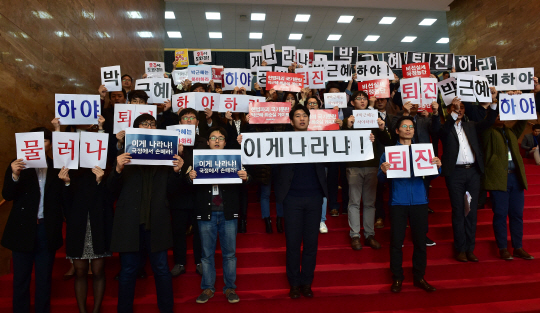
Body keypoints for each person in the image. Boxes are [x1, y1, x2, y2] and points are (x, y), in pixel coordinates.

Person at [107, 114, 184, 313]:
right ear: (136, 129)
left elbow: (173, 191)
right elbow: (109, 192)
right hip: (129, 223)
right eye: (144, 124)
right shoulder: (124, 155)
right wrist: (116, 169)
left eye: (152, 124)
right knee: (128, 271)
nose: (149, 126)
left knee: (161, 270)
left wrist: (176, 172)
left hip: (156, 221)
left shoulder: (166, 154)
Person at [2, 127, 64, 313]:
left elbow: (63, 198)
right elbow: (7, 194)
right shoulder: (17, 164)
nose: (40, 143)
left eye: (44, 140)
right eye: (36, 140)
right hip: (22, 229)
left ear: (49, 144)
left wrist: (67, 182)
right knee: (21, 278)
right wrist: (14, 175)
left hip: (47, 228)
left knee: (44, 278)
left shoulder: (56, 166)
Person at [378, 116, 441, 293]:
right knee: (396, 242)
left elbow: (431, 175)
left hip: (420, 201)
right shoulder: (389, 152)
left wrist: (437, 166)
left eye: (411, 127)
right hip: (398, 201)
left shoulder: (423, 151)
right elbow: (381, 178)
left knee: (420, 242)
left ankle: (419, 277)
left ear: (414, 131)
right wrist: (383, 172)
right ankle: (397, 277)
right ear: (397, 131)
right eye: (404, 126)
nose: (408, 129)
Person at [189, 126, 251, 304]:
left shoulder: (235, 159)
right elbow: (185, 184)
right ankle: (208, 288)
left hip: (228, 213)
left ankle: (230, 288)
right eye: (213, 137)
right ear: (207, 142)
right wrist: (189, 177)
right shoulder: (198, 160)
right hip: (206, 213)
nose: (217, 140)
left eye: (221, 137)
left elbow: (250, 179)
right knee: (206, 254)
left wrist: (246, 177)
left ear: (225, 142)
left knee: (229, 254)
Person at [273, 105, 329, 299]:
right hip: (292, 199)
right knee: (293, 244)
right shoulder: (281, 141)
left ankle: (307, 282)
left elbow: (342, 152)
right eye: (298, 116)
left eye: (305, 115)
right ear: (291, 120)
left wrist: (365, 140)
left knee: (311, 244)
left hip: (315, 198)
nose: (302, 118)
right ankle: (294, 283)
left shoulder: (319, 139)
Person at [439, 97, 498, 263]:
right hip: (455, 174)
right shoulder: (445, 128)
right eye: (456, 107)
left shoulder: (471, 125)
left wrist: (493, 103)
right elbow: (441, 132)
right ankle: (460, 249)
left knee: (471, 212)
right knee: (458, 211)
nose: (459, 110)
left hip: (473, 173)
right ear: (449, 109)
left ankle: (470, 249)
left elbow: (489, 122)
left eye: (462, 107)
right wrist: (452, 113)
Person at [482, 100, 534, 261]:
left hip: (516, 178)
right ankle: (503, 248)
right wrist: (492, 109)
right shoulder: (486, 131)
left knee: (517, 214)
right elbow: (487, 121)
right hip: (499, 179)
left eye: (502, 113)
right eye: (496, 114)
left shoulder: (510, 132)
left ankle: (518, 247)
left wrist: (523, 96)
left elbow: (522, 120)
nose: (500, 117)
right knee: (500, 214)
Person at [59, 165, 112, 313]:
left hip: (98, 226)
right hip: (77, 226)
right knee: (80, 271)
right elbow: (65, 203)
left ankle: (96, 310)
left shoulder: (102, 169)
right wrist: (66, 183)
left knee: (98, 271)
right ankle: (82, 311)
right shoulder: (70, 169)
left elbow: (110, 199)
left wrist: (100, 181)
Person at [343, 91, 392, 250]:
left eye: (365, 98)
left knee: (370, 203)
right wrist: (347, 127)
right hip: (354, 165)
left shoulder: (374, 118)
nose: (362, 101)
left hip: (372, 165)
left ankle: (369, 234)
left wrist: (382, 128)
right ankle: (355, 235)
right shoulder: (348, 120)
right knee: (354, 202)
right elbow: (340, 142)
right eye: (359, 98)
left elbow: (387, 141)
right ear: (352, 103)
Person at [169, 108, 206, 277]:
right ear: (180, 122)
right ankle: (180, 262)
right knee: (178, 231)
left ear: (197, 122)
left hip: (198, 194)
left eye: (192, 118)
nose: (189, 120)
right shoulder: (171, 142)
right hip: (178, 195)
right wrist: (179, 152)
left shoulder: (203, 142)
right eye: (185, 118)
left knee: (200, 232)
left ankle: (200, 261)